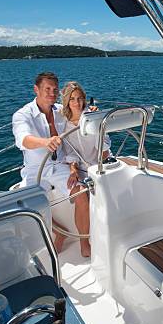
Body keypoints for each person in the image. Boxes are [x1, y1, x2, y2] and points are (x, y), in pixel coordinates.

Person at [12, 72, 84, 255]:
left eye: (54, 89)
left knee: (82, 193)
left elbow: (77, 117)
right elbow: (23, 139)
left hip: (60, 165)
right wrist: (44, 142)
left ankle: (85, 245)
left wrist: (89, 112)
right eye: (47, 89)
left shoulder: (61, 111)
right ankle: (59, 233)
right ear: (36, 89)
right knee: (26, 207)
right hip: (36, 169)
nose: (52, 93)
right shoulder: (23, 115)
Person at [60, 81, 111, 257]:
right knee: (81, 193)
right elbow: (69, 152)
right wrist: (73, 170)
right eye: (73, 99)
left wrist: (100, 170)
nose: (77, 103)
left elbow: (104, 148)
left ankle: (110, 236)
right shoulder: (63, 124)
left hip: (99, 164)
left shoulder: (93, 119)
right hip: (79, 170)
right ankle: (84, 243)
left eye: (80, 98)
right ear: (67, 101)